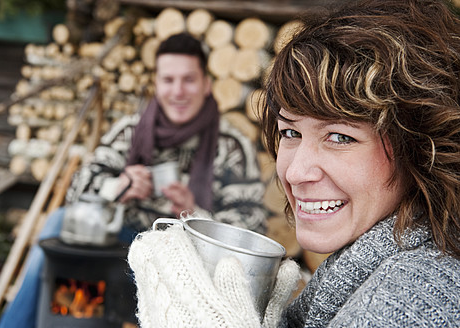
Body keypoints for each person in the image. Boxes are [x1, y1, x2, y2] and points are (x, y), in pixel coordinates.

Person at [127, 0, 460, 327]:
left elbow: (248, 220)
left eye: (340, 137)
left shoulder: (412, 297)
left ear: (420, 148)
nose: (295, 172)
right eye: (289, 131)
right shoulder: (129, 132)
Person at [0, 32, 268, 327]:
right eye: (168, 80)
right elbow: (77, 191)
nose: (178, 91)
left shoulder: (231, 147)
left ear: (206, 85)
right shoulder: (129, 132)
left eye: (188, 80)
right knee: (60, 225)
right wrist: (119, 187)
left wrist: (195, 216)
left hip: (184, 271)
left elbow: (251, 226)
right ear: (156, 84)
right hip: (116, 260)